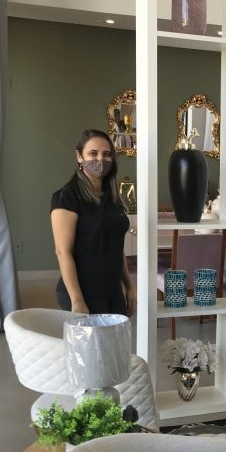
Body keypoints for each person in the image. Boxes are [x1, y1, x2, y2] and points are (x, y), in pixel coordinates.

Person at [50, 129, 136, 316]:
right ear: (79, 157)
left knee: (118, 336)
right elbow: (62, 252)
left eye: (107, 154)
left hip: (112, 290)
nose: (100, 160)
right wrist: (77, 300)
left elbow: (116, 247)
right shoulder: (67, 197)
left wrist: (129, 286)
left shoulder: (112, 198)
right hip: (83, 292)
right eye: (93, 153)